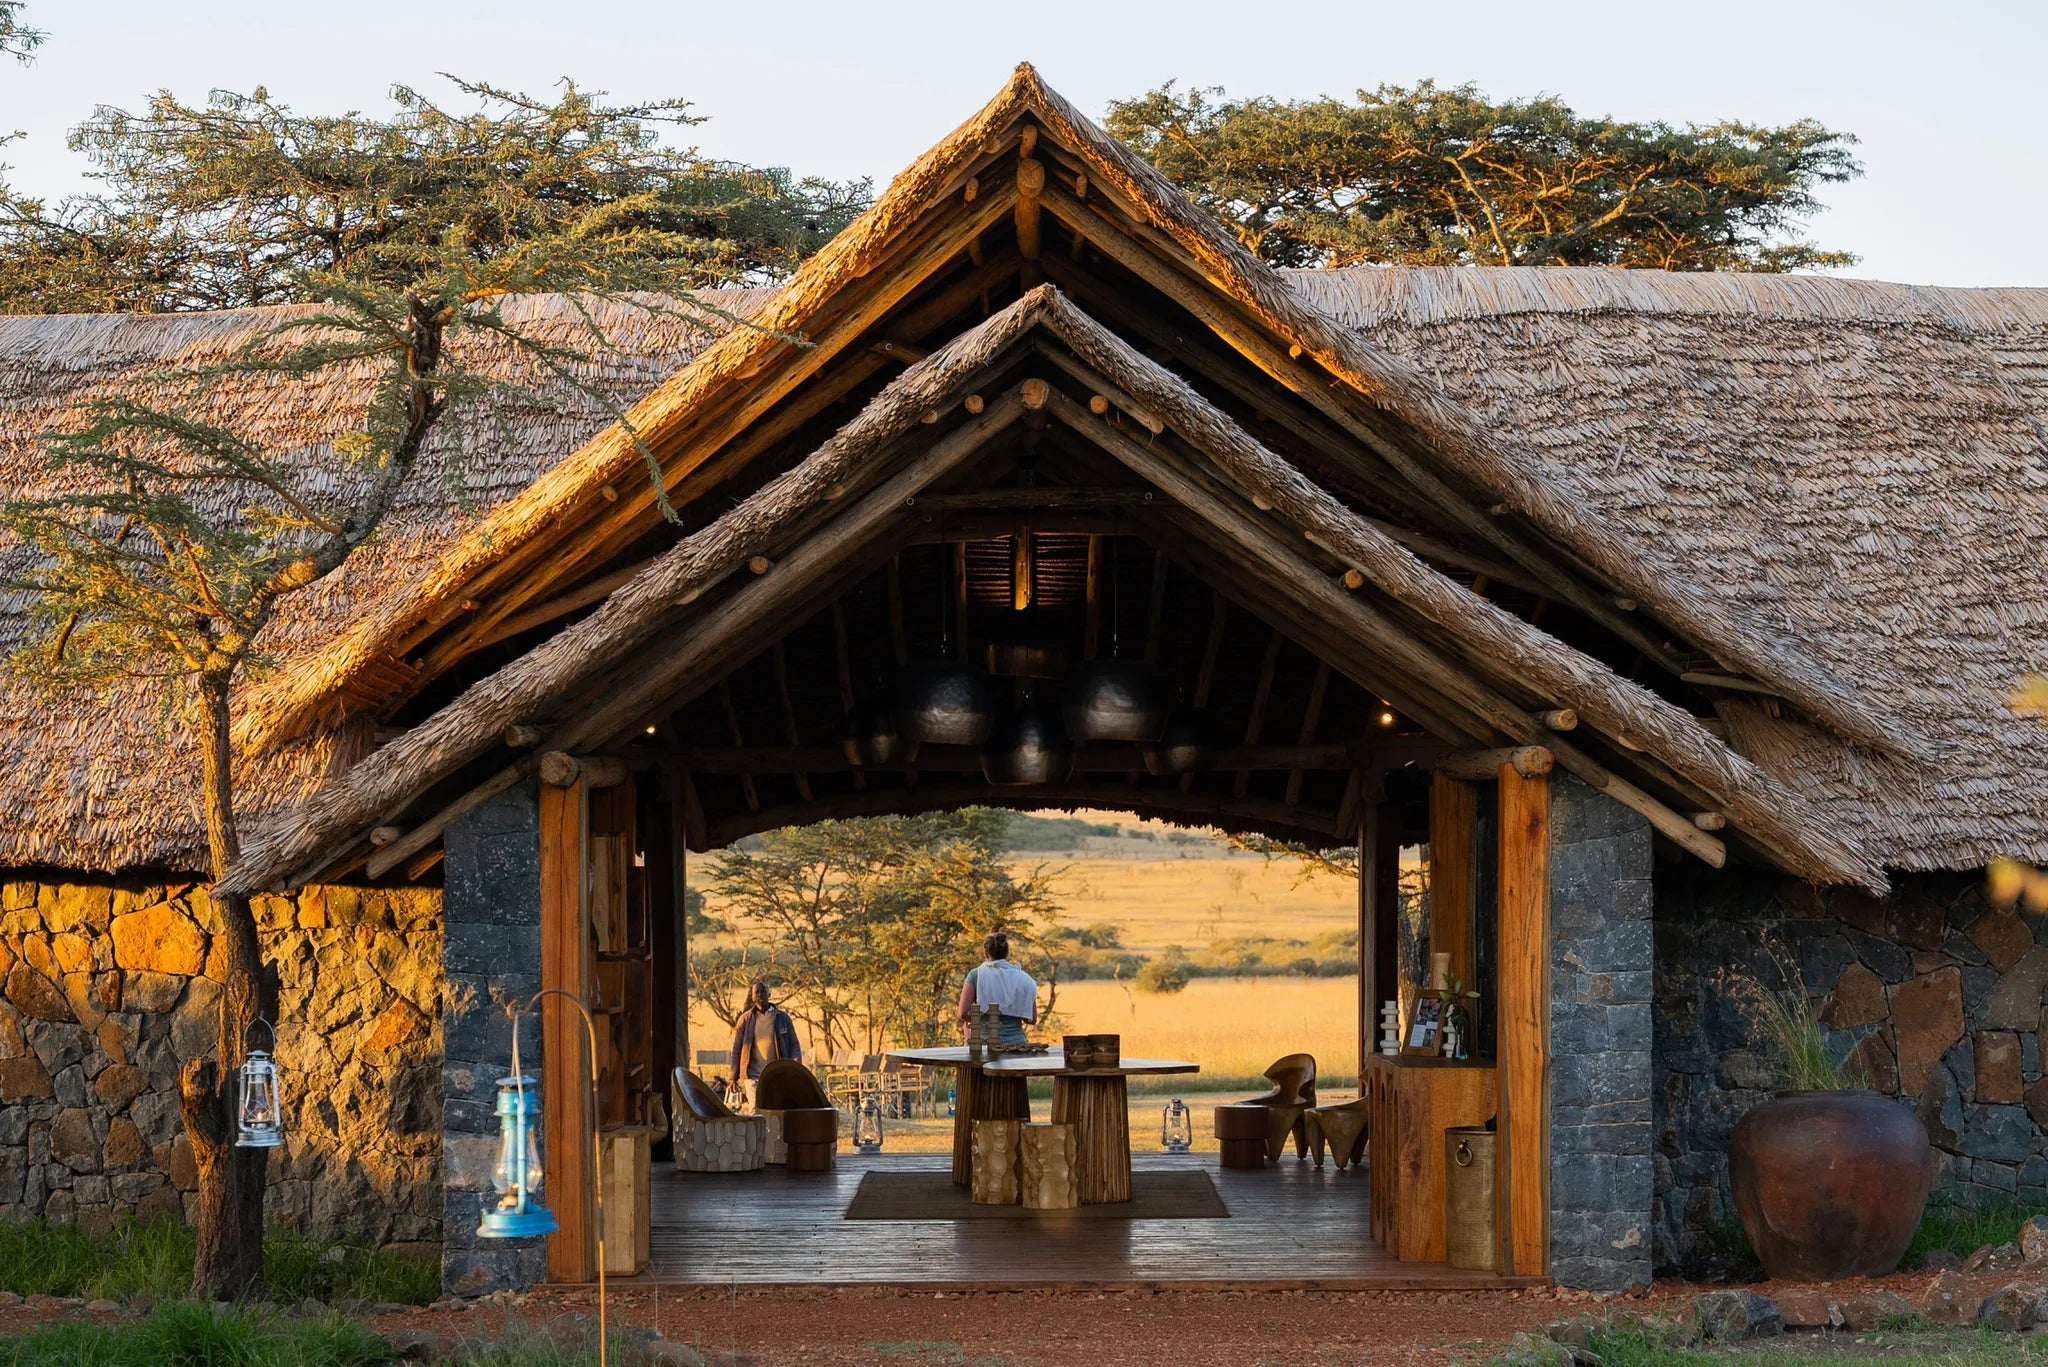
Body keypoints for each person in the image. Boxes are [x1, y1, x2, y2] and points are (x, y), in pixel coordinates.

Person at [730, 980, 802, 1107]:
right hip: (752, 1076)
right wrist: (733, 1077)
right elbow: (737, 1049)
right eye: (756, 992)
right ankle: (759, 1128)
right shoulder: (745, 1020)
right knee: (755, 1110)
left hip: (777, 1074)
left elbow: (794, 1045)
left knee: (777, 1110)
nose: (760, 995)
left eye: (763, 991)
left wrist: (795, 1070)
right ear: (752, 997)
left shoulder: (782, 1018)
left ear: (769, 994)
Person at [958, 932, 1038, 1046]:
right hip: (1017, 1045)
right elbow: (1032, 1019)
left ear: (986, 953)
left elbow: (963, 1013)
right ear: (1007, 953)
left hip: (985, 1044)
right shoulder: (1025, 979)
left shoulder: (976, 975)